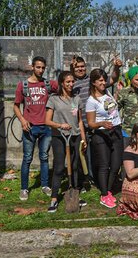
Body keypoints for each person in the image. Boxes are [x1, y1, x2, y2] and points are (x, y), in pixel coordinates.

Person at [14, 56, 58, 201]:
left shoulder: (47, 84)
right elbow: (16, 105)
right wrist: (22, 119)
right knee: (27, 158)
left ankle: (45, 185)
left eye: (43, 68)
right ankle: (24, 188)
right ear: (32, 67)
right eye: (38, 67)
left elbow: (66, 83)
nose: (40, 70)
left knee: (44, 157)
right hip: (30, 128)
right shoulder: (23, 85)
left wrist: (72, 68)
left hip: (45, 128)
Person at [71, 55, 122, 179]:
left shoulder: (93, 80)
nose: (80, 69)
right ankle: (82, 180)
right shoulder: (72, 82)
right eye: (77, 67)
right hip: (80, 124)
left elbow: (113, 79)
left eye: (82, 66)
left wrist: (116, 67)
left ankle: (94, 177)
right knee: (80, 154)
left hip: (96, 124)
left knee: (96, 155)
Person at [44, 71, 86, 212]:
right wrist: (60, 125)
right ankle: (54, 198)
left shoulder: (77, 99)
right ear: (62, 83)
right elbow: (47, 121)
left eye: (72, 81)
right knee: (59, 168)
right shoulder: (53, 99)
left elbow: (80, 121)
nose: (71, 84)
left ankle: (74, 193)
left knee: (74, 167)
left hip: (74, 136)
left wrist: (83, 138)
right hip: (60, 137)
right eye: (68, 82)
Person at [86, 68, 124, 208]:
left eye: (104, 80)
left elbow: (114, 77)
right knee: (104, 165)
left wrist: (117, 68)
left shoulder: (107, 92)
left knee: (115, 164)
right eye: (100, 81)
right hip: (101, 134)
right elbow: (90, 123)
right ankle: (103, 194)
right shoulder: (91, 100)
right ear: (94, 82)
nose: (103, 83)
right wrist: (102, 123)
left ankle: (108, 190)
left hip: (116, 130)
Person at [116, 65, 138, 146]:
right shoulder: (123, 93)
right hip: (128, 132)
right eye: (137, 80)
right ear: (131, 79)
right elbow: (115, 109)